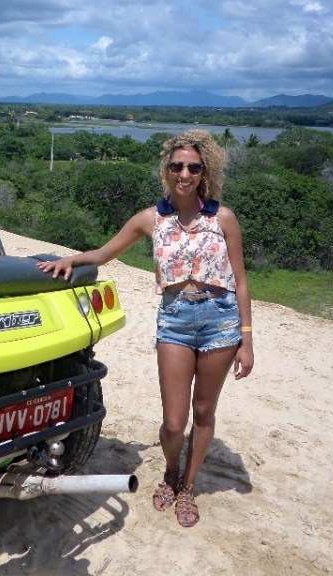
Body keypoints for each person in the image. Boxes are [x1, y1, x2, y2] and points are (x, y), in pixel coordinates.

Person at [36, 129, 254, 528]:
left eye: (193, 166)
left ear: (205, 171)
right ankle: (172, 469)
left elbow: (240, 279)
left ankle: (187, 485)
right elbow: (105, 253)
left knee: (204, 411)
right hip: (175, 319)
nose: (184, 173)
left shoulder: (223, 218)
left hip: (221, 320)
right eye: (177, 166)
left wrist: (247, 339)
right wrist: (69, 260)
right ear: (166, 171)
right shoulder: (150, 219)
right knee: (174, 422)